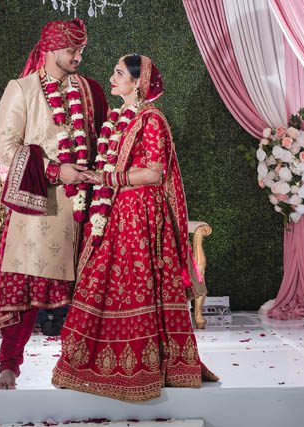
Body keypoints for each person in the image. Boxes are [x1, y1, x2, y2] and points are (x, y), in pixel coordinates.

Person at [52, 54, 218, 402]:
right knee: (104, 281)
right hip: (118, 210)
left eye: (118, 74)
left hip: (141, 214)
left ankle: (143, 367)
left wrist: (105, 178)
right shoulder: (119, 119)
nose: (112, 78)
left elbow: (154, 173)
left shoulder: (151, 120)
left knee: (136, 283)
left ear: (137, 82)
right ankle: (92, 362)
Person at [0, 19, 107, 390]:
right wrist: (57, 170)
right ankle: (9, 364)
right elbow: (7, 150)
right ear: (51, 50)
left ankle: (78, 365)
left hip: (85, 206)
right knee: (25, 287)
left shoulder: (91, 91)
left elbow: (104, 142)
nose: (78, 57)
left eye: (81, 51)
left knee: (86, 290)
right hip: (38, 207)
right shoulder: (21, 89)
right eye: (72, 51)